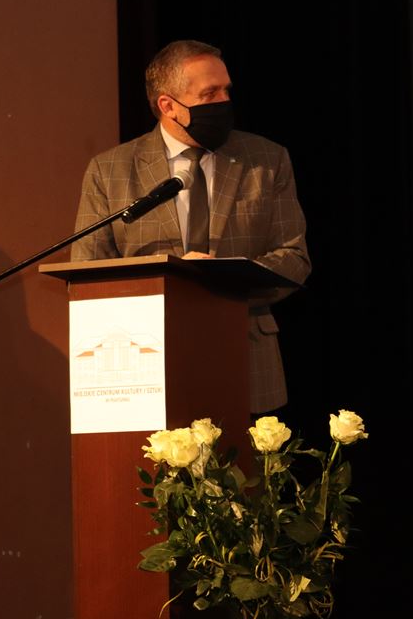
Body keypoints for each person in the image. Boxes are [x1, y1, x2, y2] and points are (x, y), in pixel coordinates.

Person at [72, 40, 311, 414]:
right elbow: (89, 271)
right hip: (144, 373)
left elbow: (294, 258)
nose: (224, 101)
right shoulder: (111, 170)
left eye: (226, 90)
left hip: (246, 359)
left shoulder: (266, 159)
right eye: (209, 93)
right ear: (168, 106)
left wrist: (222, 282)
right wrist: (170, 292)